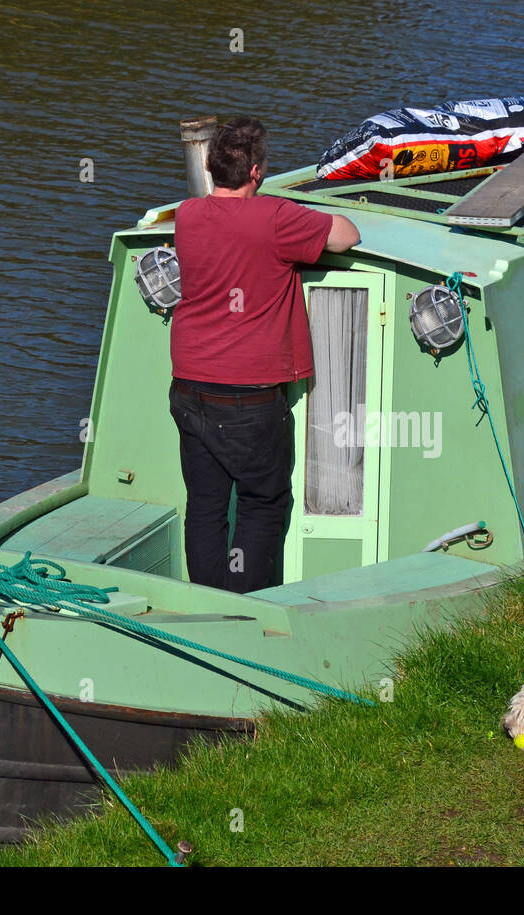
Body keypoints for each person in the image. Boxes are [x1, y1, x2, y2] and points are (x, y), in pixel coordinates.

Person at [169, 117, 360, 592]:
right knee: (262, 501)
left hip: (189, 389)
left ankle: (207, 607)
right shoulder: (276, 218)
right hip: (248, 402)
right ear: (257, 171)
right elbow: (346, 235)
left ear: (211, 170)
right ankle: (243, 611)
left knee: (206, 506)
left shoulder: (187, 216)